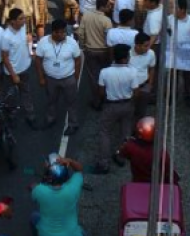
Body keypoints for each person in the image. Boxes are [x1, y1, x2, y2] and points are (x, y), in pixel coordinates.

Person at [94, 44, 142, 174]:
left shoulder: (104, 72)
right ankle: (121, 156)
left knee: (105, 132)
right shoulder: (132, 72)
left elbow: (101, 92)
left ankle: (104, 163)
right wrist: (130, 101)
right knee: (125, 132)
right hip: (127, 104)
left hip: (110, 105)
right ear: (125, 58)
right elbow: (136, 92)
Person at [31, 154, 90, 236]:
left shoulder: (39, 191)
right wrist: (70, 161)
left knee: (33, 217)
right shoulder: (73, 188)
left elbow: (34, 189)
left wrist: (34, 186)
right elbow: (79, 170)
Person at [36, 20, 83, 135]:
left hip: (68, 78)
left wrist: (76, 77)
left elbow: (78, 59)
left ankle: (73, 124)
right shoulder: (43, 42)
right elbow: (38, 60)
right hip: (50, 79)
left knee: (71, 102)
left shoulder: (72, 42)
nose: (62, 35)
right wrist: (41, 78)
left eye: (64, 32)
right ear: (53, 32)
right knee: (51, 100)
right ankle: (50, 119)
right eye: (59, 32)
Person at [118, 117, 180, 183]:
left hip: (137, 180)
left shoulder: (130, 146)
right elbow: (167, 170)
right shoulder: (160, 152)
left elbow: (122, 154)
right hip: (155, 182)